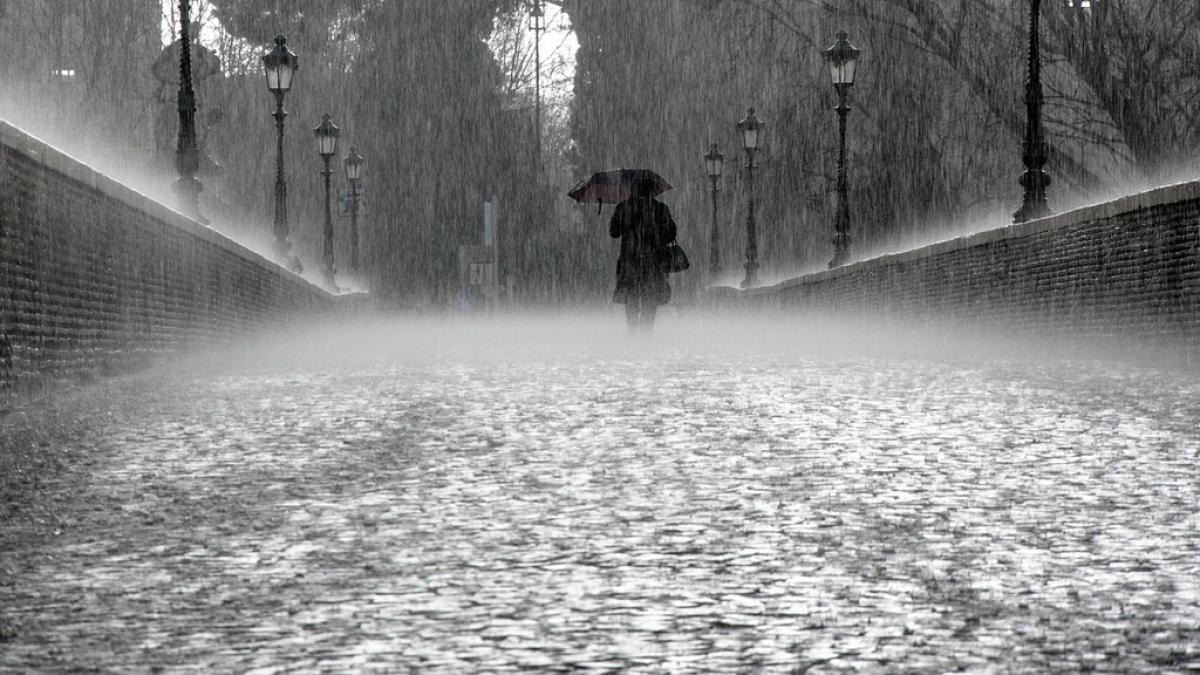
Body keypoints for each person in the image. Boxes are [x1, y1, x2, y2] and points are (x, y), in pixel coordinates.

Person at [609, 176, 677, 334]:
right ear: (653, 190)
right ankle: (646, 333)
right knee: (650, 299)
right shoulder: (660, 209)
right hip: (653, 261)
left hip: (629, 260)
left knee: (631, 298)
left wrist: (622, 221)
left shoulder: (623, 208)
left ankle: (632, 330)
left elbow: (613, 233)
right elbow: (670, 235)